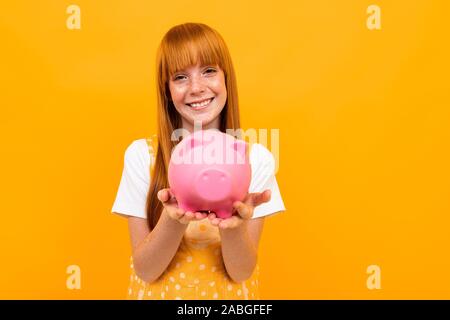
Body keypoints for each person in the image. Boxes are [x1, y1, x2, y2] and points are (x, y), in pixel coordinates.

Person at [111, 22, 286, 300]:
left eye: (208, 71)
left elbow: (241, 272)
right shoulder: (142, 156)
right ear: (166, 90)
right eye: (180, 77)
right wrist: (173, 219)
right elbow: (145, 270)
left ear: (226, 77)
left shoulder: (255, 160)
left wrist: (235, 226)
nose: (196, 88)